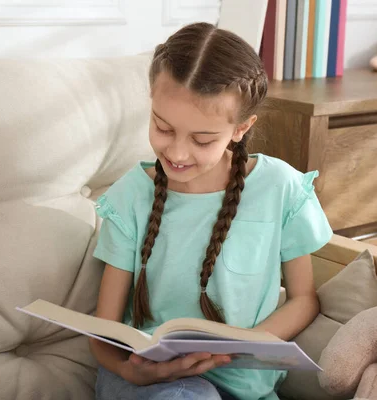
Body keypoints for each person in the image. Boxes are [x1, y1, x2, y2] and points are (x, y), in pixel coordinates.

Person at [89, 22, 333, 400]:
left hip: (244, 386)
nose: (177, 153)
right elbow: (104, 332)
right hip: (147, 383)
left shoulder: (280, 189)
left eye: (202, 139)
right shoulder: (130, 197)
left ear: (240, 128)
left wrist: (247, 343)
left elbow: (304, 298)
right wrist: (131, 373)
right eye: (163, 128)